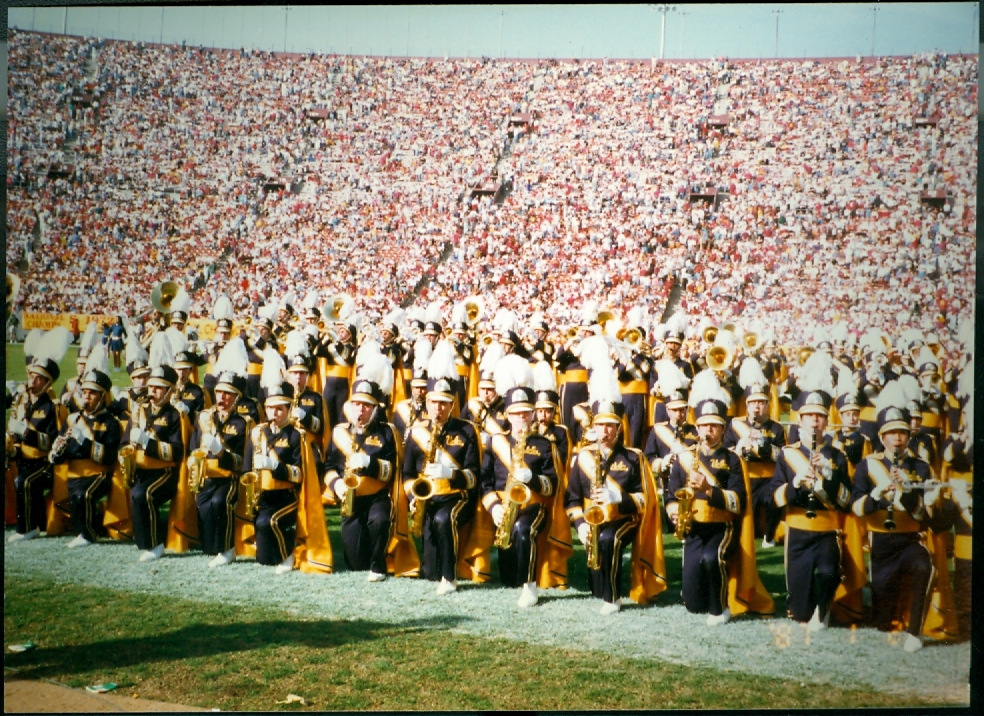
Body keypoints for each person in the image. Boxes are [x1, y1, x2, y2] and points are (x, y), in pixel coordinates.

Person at [851, 380, 947, 653]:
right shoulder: (867, 465)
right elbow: (856, 508)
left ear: (908, 435)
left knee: (924, 568)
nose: (897, 438)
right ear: (882, 437)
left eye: (902, 432)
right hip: (880, 542)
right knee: (882, 620)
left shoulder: (921, 466)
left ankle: (915, 632)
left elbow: (926, 513)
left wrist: (905, 492)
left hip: (909, 538)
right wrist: (877, 495)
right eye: (891, 433)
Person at [565, 355, 665, 615]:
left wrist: (617, 497)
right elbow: (572, 499)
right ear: (594, 427)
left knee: (609, 539)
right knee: (594, 579)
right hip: (594, 518)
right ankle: (603, 589)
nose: (605, 432)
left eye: (610, 426)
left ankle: (614, 597)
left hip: (625, 517)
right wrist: (580, 524)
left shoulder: (634, 457)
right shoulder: (583, 456)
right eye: (600, 426)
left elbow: (646, 500)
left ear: (619, 429)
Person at [762, 390, 853, 630]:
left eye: (819, 416)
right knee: (799, 612)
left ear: (825, 421)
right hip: (798, 530)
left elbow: (847, 500)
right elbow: (773, 497)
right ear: (800, 421)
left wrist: (830, 475)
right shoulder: (787, 454)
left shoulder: (837, 456)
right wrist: (795, 483)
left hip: (827, 529)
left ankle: (823, 610)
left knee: (828, 572)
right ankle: (811, 606)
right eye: (809, 415)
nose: (814, 421)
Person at [665, 374, 746, 625]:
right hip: (694, 528)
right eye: (703, 425)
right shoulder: (686, 457)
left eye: (714, 426)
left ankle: (720, 607)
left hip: (722, 526)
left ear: (723, 429)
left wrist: (709, 490)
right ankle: (700, 595)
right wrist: (674, 512)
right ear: (696, 428)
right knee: (691, 604)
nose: (708, 431)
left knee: (712, 559)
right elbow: (670, 495)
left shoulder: (732, 460)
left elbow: (738, 501)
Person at [481, 368, 566, 607]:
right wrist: (493, 507)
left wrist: (533, 478)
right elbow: (484, 481)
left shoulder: (544, 444)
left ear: (533, 416)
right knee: (508, 578)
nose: (521, 419)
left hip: (535, 504)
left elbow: (553, 485)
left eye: (526, 414)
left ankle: (530, 586)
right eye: (516, 414)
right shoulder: (495, 442)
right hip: (503, 506)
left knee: (523, 528)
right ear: (508, 416)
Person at [402, 343, 481, 595]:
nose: (439, 408)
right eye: (435, 402)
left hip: (458, 496)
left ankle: (451, 577)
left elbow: (473, 477)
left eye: (445, 403)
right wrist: (414, 496)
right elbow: (406, 474)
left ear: (452, 404)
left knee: (442, 519)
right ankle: (439, 571)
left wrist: (450, 474)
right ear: (427, 401)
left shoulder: (467, 429)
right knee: (428, 572)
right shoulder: (417, 431)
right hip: (429, 498)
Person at [325, 375, 407, 581]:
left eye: (366, 406)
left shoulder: (388, 432)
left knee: (379, 521)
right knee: (355, 563)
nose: (360, 410)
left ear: (375, 408)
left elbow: (394, 470)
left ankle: (379, 562)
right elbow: (328, 468)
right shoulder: (339, 432)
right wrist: (338, 485)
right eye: (356, 405)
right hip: (350, 498)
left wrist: (369, 464)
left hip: (377, 496)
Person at [48, 356, 122, 548]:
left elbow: (109, 458)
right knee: (74, 498)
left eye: (92, 394)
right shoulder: (72, 418)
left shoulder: (110, 422)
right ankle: (88, 528)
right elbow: (60, 457)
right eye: (84, 393)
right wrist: (57, 450)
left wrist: (86, 441)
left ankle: (88, 535)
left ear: (103, 397)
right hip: (74, 473)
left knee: (83, 495)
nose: (86, 398)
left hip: (98, 473)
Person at [7, 334, 67, 542]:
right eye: (31, 375)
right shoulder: (22, 400)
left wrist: (26, 433)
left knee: (24, 482)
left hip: (44, 463)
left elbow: (50, 441)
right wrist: (12, 445)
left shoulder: (53, 407)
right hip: (22, 458)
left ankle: (27, 528)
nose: (32, 381)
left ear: (47, 383)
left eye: (38, 378)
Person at [189, 370, 251, 568]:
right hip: (207, 474)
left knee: (219, 501)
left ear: (236, 397)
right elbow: (193, 447)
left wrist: (220, 452)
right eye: (219, 392)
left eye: (228, 393)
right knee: (202, 504)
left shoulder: (243, 423)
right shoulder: (205, 418)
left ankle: (227, 549)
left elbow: (243, 461)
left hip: (230, 477)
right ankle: (213, 547)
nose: (222, 398)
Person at [127, 363, 189, 562]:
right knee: (135, 495)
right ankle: (144, 541)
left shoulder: (174, 416)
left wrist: (147, 443)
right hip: (140, 469)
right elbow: (124, 443)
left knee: (142, 494)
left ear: (170, 391)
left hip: (165, 472)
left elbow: (176, 452)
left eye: (159, 387)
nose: (152, 391)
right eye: (151, 386)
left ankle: (155, 545)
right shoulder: (139, 412)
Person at [727, 359, 786, 547]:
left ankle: (769, 535)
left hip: (769, 477)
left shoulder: (776, 427)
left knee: (774, 501)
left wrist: (765, 447)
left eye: (761, 403)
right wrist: (739, 448)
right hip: (745, 475)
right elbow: (727, 451)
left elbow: (784, 456)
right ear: (748, 405)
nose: (757, 407)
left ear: (767, 405)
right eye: (753, 403)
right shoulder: (737, 424)